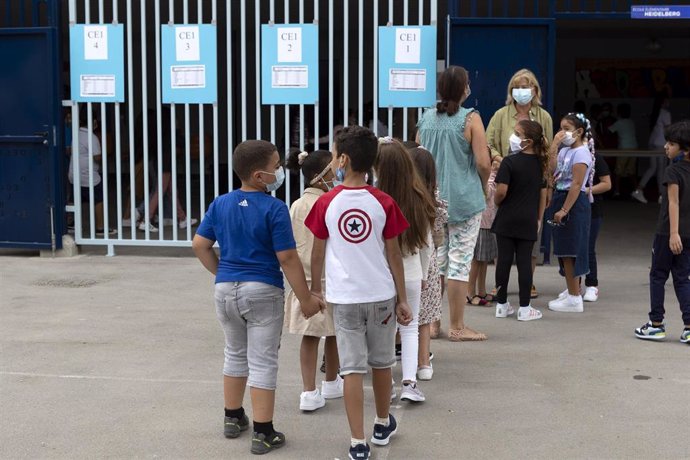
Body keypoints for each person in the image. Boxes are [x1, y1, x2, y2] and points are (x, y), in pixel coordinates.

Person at [192, 140, 324, 455]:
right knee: (263, 360)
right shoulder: (274, 208)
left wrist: (222, 273)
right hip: (262, 290)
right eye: (275, 166)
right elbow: (288, 258)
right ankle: (264, 432)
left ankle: (233, 416)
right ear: (258, 175)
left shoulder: (220, 203)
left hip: (226, 290)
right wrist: (305, 298)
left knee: (235, 353)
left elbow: (199, 244)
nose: (279, 171)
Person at [305, 126, 413, 460]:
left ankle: (357, 442)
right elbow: (393, 254)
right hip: (380, 296)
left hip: (344, 299)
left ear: (344, 160)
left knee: (352, 369)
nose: (333, 160)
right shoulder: (383, 202)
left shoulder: (326, 202)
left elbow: (317, 252)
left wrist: (315, 289)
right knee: (381, 364)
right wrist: (402, 298)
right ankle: (382, 423)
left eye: (335, 154)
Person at [416, 65, 491, 342]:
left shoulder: (425, 119)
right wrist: (483, 186)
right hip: (464, 200)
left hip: (432, 200)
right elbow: (483, 162)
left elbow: (418, 155)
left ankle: (433, 324)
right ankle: (457, 325)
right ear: (463, 89)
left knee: (436, 262)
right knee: (460, 263)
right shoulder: (470, 119)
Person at [375, 137, 435, 402]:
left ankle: (386, 383)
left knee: (384, 330)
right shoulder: (419, 197)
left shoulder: (373, 199)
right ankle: (409, 383)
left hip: (380, 274)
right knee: (410, 327)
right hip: (411, 272)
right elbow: (426, 244)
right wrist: (422, 274)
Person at [486, 68, 554, 299]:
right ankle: (500, 284)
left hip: (533, 180)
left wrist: (548, 186)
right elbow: (489, 143)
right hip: (506, 176)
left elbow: (549, 151)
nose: (521, 90)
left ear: (534, 90)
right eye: (517, 86)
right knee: (503, 238)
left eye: (525, 86)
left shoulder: (543, 117)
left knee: (531, 235)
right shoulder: (501, 115)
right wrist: (500, 159)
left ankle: (529, 282)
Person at [284, 148, 343, 412]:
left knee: (312, 336)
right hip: (329, 278)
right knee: (334, 334)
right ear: (322, 177)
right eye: (333, 170)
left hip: (304, 281)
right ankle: (329, 382)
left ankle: (311, 390)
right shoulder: (331, 202)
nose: (338, 173)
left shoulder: (297, 204)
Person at [634, 120, 690, 343]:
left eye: (672, 143)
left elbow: (673, 203)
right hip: (687, 234)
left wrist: (673, 233)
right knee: (683, 279)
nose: (666, 146)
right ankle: (688, 326)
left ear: (685, 148)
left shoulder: (673, 171)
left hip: (668, 233)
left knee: (657, 275)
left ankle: (656, 324)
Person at [492, 120, 548, 321]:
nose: (513, 137)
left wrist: (498, 203)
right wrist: (539, 218)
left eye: (517, 133)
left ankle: (501, 304)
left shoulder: (509, 162)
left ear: (528, 141)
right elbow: (543, 195)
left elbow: (501, 191)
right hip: (528, 219)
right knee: (525, 262)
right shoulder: (541, 164)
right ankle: (525, 307)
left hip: (506, 217)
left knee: (503, 261)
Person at [547, 113, 595, 314]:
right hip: (561, 195)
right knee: (563, 249)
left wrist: (564, 209)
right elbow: (551, 170)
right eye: (560, 128)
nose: (562, 133)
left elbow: (576, 184)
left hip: (573, 202)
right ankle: (571, 290)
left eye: (566, 128)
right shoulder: (566, 150)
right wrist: (554, 147)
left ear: (579, 131)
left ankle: (575, 298)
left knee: (571, 251)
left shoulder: (582, 153)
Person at [408, 144, 447, 381]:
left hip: (404, 261)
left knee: (399, 314)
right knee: (423, 318)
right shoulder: (435, 199)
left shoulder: (399, 197)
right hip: (429, 260)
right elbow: (439, 234)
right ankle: (423, 364)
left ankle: (395, 359)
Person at [138, 107, 197, 233]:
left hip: (159, 162)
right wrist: (177, 127)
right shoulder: (170, 131)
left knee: (172, 191)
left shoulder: (157, 131)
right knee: (160, 191)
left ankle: (182, 219)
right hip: (166, 163)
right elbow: (181, 142)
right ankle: (145, 220)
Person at [68, 107, 116, 236]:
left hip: (74, 174)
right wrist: (106, 153)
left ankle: (70, 224)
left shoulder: (76, 133)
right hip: (89, 176)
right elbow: (97, 157)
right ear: (94, 122)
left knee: (75, 198)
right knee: (99, 198)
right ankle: (100, 228)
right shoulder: (92, 137)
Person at [467, 154, 500, 306]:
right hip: (480, 223)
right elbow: (487, 193)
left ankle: (481, 290)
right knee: (476, 260)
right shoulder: (479, 177)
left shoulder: (491, 177)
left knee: (484, 259)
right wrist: (492, 172)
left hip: (488, 223)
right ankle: (469, 292)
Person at [632, 92, 672, 204]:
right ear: (664, 101)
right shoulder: (665, 113)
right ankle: (661, 195)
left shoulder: (655, 112)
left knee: (653, 168)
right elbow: (668, 131)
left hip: (652, 143)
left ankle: (639, 189)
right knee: (661, 169)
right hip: (661, 143)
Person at [582, 152, 612, 302]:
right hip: (570, 208)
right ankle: (572, 285)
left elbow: (607, 183)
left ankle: (591, 284)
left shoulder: (595, 157)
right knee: (571, 249)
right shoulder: (565, 154)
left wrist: (586, 190)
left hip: (592, 210)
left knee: (587, 248)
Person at [610, 103, 639, 196]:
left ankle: (617, 191)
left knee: (618, 171)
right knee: (632, 172)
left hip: (623, 149)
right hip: (634, 148)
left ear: (619, 112)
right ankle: (636, 191)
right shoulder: (631, 122)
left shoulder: (619, 123)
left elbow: (609, 130)